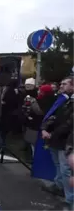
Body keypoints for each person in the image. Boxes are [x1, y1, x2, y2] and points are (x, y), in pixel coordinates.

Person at [41, 76, 74, 210]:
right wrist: (44, 128)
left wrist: (52, 134)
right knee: (58, 165)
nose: (60, 86)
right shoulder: (64, 100)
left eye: (64, 84)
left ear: (73, 86)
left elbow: (69, 124)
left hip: (66, 141)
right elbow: (54, 117)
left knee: (66, 169)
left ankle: (69, 200)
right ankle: (59, 186)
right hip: (55, 138)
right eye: (60, 83)